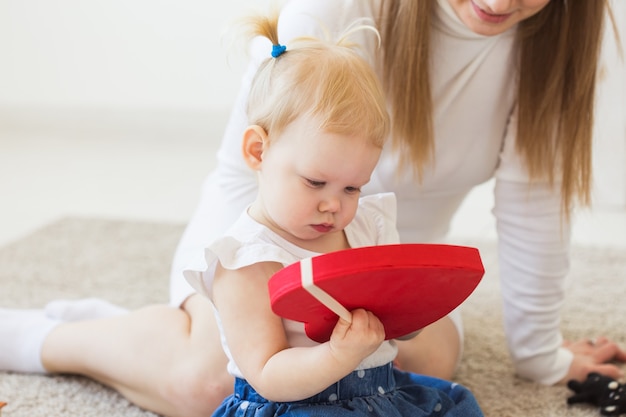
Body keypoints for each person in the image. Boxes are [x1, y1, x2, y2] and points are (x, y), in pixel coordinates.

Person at [0, 1, 624, 417]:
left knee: (419, 364)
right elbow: (252, 169)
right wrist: (251, 278)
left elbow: (533, 209)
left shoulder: (562, 42)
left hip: (371, 257)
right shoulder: (340, 12)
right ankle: (52, 337)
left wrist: (541, 355)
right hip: (263, 236)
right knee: (212, 381)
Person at [180, 12, 483, 416]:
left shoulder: (367, 225)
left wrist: (410, 314)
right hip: (296, 406)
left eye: (353, 187)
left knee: (455, 404)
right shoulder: (245, 261)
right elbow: (267, 373)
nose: (334, 205)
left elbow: (397, 319)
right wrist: (338, 356)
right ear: (258, 151)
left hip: (378, 394)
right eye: (314, 182)